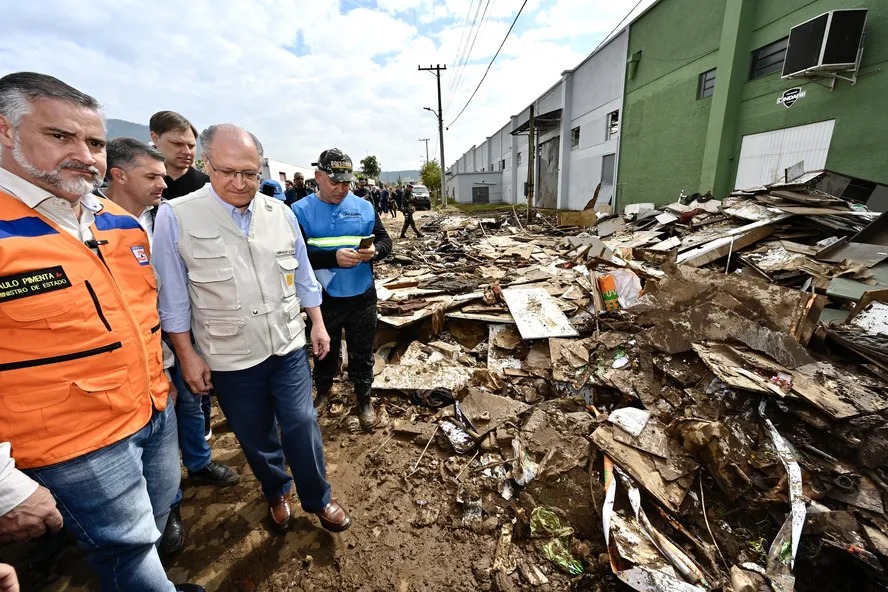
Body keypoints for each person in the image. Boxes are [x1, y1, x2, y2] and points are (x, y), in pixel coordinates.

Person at [0, 72, 201, 592]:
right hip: (75, 447)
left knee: (158, 515)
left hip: (153, 410)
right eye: (59, 136)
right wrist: (3, 485)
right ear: (5, 130)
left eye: (94, 142)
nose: (84, 156)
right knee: (126, 550)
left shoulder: (121, 224)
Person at [153, 124, 352, 534]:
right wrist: (187, 356)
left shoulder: (280, 214)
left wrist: (317, 324)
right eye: (228, 172)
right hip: (229, 355)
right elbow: (172, 299)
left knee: (301, 422)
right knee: (255, 434)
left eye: (250, 173)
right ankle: (276, 490)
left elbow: (304, 278)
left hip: (287, 343)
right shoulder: (177, 215)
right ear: (207, 164)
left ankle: (318, 498)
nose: (240, 183)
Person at [103, 137, 241, 553]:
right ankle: (160, 508)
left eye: (163, 176)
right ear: (119, 176)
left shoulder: (160, 217)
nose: (163, 184)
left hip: (173, 331)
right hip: (127, 348)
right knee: (139, 431)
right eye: (152, 176)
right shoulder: (92, 224)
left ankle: (195, 466)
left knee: (191, 402)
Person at [292, 148, 392, 431]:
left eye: (346, 182)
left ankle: (364, 398)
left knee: (363, 352)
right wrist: (332, 258)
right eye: (335, 182)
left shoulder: (364, 207)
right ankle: (323, 390)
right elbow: (294, 255)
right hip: (324, 299)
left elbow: (385, 241)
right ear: (318, 177)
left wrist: (375, 251)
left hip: (362, 295)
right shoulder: (299, 211)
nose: (341, 188)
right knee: (324, 350)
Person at [150, 111, 212, 441]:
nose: (186, 151)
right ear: (155, 138)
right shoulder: (143, 184)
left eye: (191, 145)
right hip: (150, 293)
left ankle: (201, 430)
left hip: (197, 291)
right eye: (177, 144)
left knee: (198, 365)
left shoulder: (205, 186)